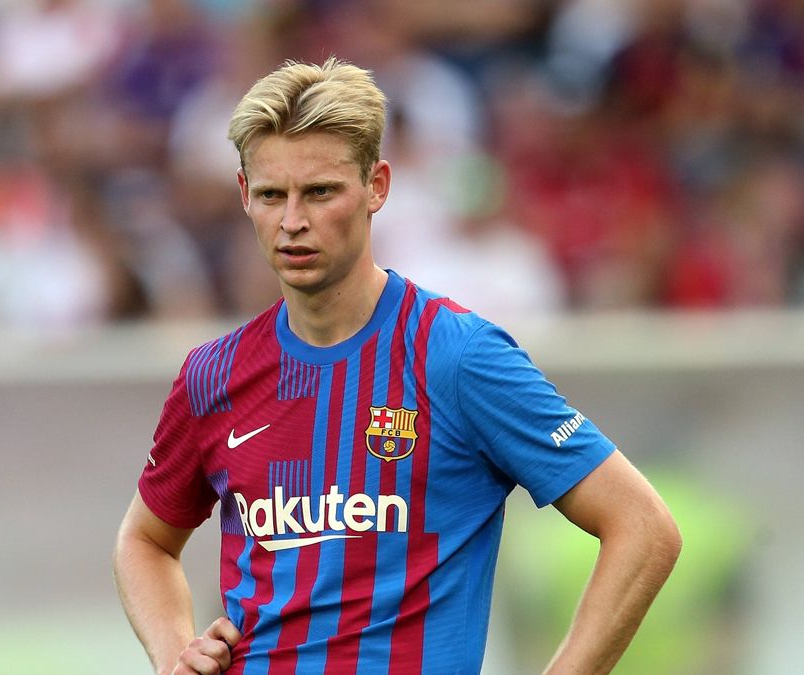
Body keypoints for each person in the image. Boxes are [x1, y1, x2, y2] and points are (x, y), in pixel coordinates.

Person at [113, 57, 681, 675]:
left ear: (377, 186)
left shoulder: (458, 356)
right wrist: (174, 653)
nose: (293, 221)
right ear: (246, 195)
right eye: (272, 195)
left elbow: (643, 527)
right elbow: (145, 540)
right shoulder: (214, 375)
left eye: (321, 192)